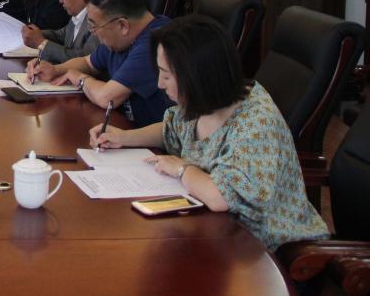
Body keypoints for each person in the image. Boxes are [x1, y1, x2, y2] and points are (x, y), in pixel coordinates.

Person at [90, 15, 329, 251]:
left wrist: (182, 169)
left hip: (269, 250)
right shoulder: (202, 100)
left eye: (166, 75)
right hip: (214, 232)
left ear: (197, 75)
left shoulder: (255, 122)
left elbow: (220, 197)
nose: (160, 84)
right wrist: (123, 137)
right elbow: (170, 129)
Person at [28, 0, 172, 126]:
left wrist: (80, 78)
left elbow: (107, 97)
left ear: (123, 25)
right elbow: (87, 62)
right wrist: (55, 69)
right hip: (117, 127)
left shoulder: (157, 43)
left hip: (147, 138)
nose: (94, 34)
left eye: (94, 27)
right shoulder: (121, 37)